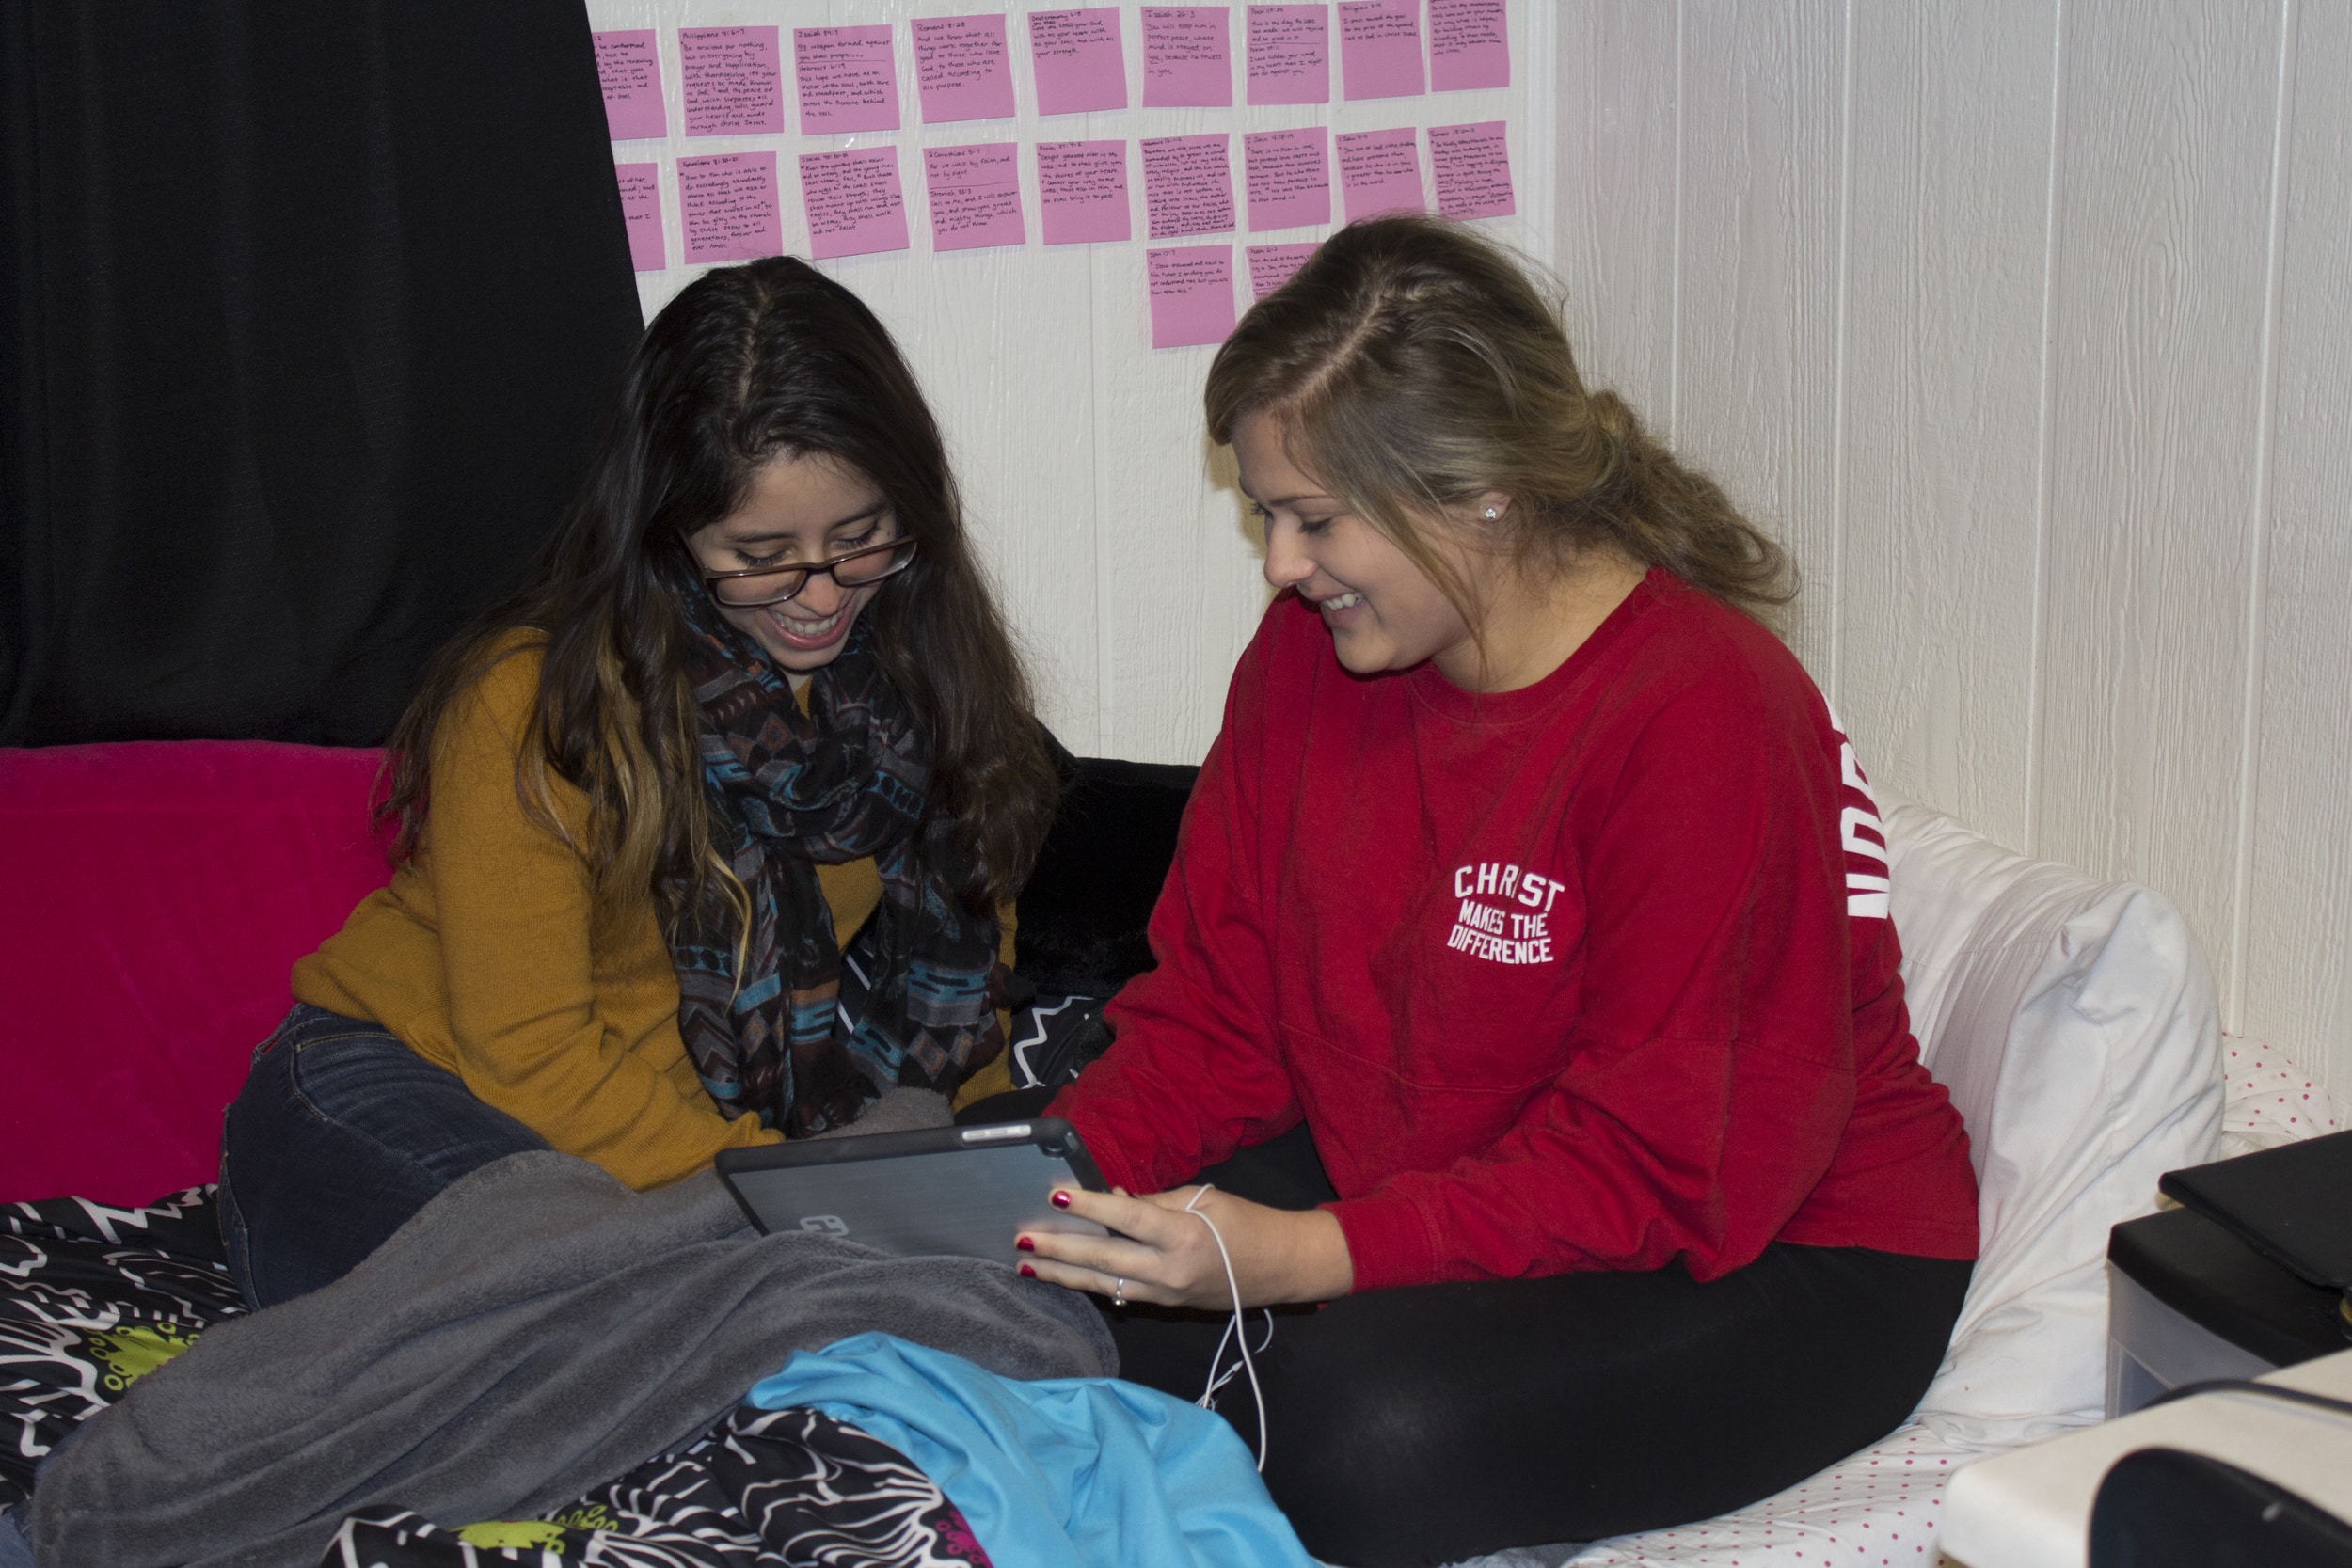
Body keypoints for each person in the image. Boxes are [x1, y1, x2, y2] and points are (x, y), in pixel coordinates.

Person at [1007, 217, 1980, 1567]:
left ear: (1481, 493)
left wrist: (1309, 1253)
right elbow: (1224, 1009)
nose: (1283, 565)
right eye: (1267, 513)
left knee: (1362, 1436)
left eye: (1315, 518)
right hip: (1460, 1161)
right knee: (1060, 1291)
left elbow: (1660, 1163)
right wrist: (1047, 1180)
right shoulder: (1309, 656)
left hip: (1774, 1245)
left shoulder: (1700, 710)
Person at [220, 256, 1057, 1310]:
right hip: (381, 1093)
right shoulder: (529, 702)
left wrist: (982, 1193)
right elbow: (530, 1054)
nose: (818, 594)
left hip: (666, 1149)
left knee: (897, 1289)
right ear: (665, 532)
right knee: (645, 1289)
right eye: (759, 555)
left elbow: (963, 1007)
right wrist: (796, 1205)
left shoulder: (928, 687)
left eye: (859, 540)